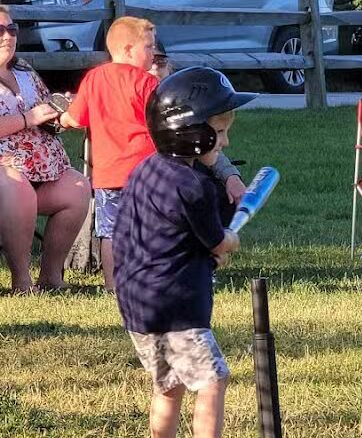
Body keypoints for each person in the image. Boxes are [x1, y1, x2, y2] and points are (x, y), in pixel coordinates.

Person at [114, 66, 255, 438]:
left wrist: (205, 255)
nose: (225, 142)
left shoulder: (145, 171)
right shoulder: (194, 186)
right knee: (213, 380)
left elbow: (170, 236)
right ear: (191, 134)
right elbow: (218, 243)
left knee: (169, 386)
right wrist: (230, 241)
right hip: (176, 306)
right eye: (219, 132)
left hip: (137, 303)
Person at [59, 16, 247, 291]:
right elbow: (165, 121)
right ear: (127, 49)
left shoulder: (94, 79)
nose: (153, 54)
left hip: (107, 174)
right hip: (148, 171)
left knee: (111, 232)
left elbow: (75, 118)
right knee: (153, 228)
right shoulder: (146, 83)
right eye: (148, 47)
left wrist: (61, 117)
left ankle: (113, 284)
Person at [0, 5, 91, 293]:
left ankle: (51, 277)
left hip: (44, 167)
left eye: (12, 29)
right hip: (6, 168)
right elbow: (32, 116)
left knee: (78, 188)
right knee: (18, 189)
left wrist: (61, 113)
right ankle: (21, 281)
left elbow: (45, 112)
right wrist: (28, 118)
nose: (8, 36)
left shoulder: (24, 70)